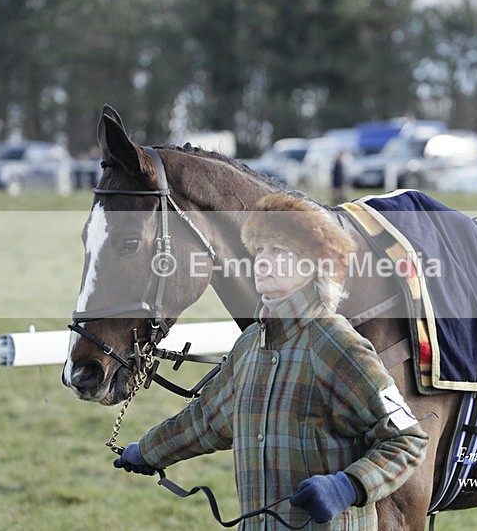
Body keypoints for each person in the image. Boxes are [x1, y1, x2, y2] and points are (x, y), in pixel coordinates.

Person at [113, 193, 429, 529]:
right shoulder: (249, 345)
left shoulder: (337, 343)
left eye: (278, 251)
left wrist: (348, 486)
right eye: (260, 250)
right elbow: (206, 420)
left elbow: (407, 440)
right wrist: (147, 451)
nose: (262, 262)